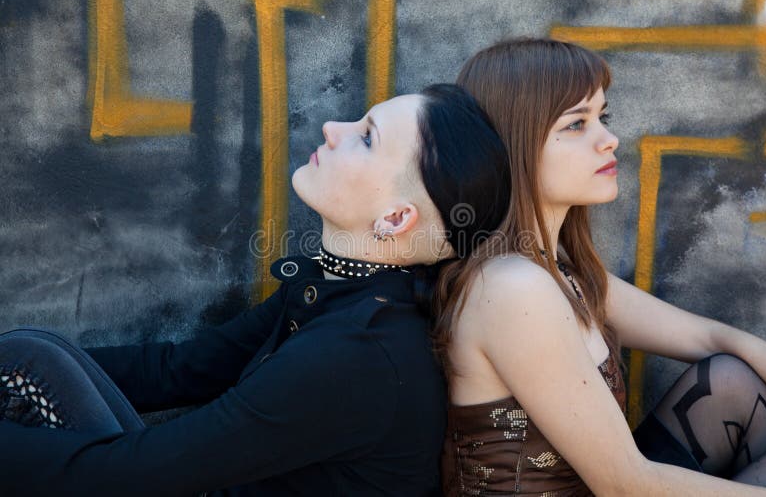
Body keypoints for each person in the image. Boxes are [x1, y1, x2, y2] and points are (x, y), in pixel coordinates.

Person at [0, 84, 511, 496]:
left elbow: (137, 474)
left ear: (395, 217)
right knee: (34, 356)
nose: (334, 129)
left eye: (367, 138)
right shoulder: (331, 289)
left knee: (29, 363)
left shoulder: (358, 355)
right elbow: (179, 370)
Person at [435, 37, 766, 495]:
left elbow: (712, 338)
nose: (610, 140)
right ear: (516, 142)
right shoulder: (510, 287)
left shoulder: (556, 268)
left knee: (727, 379)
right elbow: (626, 484)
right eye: (576, 124)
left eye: (601, 118)